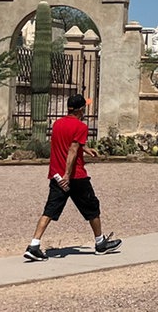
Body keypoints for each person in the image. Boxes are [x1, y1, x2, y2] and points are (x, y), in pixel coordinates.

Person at [24, 94, 122, 262]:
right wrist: (67, 176)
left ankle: (34, 245)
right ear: (81, 109)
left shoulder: (57, 124)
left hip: (56, 176)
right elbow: (71, 150)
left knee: (49, 210)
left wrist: (86, 149)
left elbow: (70, 143)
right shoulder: (81, 127)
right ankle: (100, 244)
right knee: (92, 208)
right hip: (75, 176)